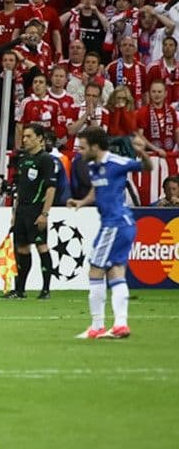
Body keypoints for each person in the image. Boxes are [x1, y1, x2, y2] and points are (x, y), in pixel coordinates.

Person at [66, 128, 153, 339]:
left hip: (115, 224)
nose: (80, 151)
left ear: (96, 147)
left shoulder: (116, 162)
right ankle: (121, 325)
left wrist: (142, 153)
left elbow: (147, 167)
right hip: (118, 225)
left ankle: (96, 326)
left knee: (95, 271)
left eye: (84, 147)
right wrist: (82, 202)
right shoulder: (93, 166)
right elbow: (96, 190)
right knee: (115, 271)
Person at [5, 124, 58, 300]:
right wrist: (14, 213)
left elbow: (51, 189)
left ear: (40, 138)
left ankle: (46, 289)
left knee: (41, 246)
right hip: (22, 210)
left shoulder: (46, 159)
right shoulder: (23, 159)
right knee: (21, 248)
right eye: (24, 136)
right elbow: (20, 189)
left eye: (29, 136)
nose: (24, 139)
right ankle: (20, 290)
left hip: (37, 209)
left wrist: (45, 213)